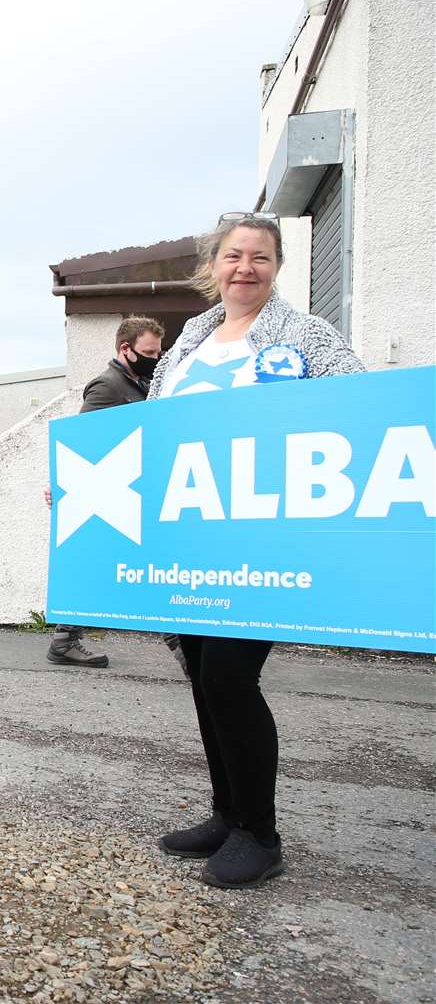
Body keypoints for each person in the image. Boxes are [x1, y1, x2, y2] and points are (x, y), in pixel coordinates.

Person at [147, 211, 363, 889]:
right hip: (191, 534)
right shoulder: (188, 342)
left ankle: (259, 835)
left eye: (260, 257)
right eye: (234, 256)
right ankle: (226, 810)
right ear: (214, 265)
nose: (246, 268)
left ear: (277, 267)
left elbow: (363, 404)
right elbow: (151, 433)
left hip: (264, 536)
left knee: (229, 677)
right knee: (202, 671)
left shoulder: (307, 336)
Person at [46, 315, 165, 669]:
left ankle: (64, 641)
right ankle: (64, 641)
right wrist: (65, 487)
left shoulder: (142, 383)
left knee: (145, 569)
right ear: (125, 350)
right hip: (110, 495)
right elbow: (81, 443)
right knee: (113, 566)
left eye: (159, 353)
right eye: (149, 352)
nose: (156, 359)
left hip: (136, 491)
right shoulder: (108, 386)